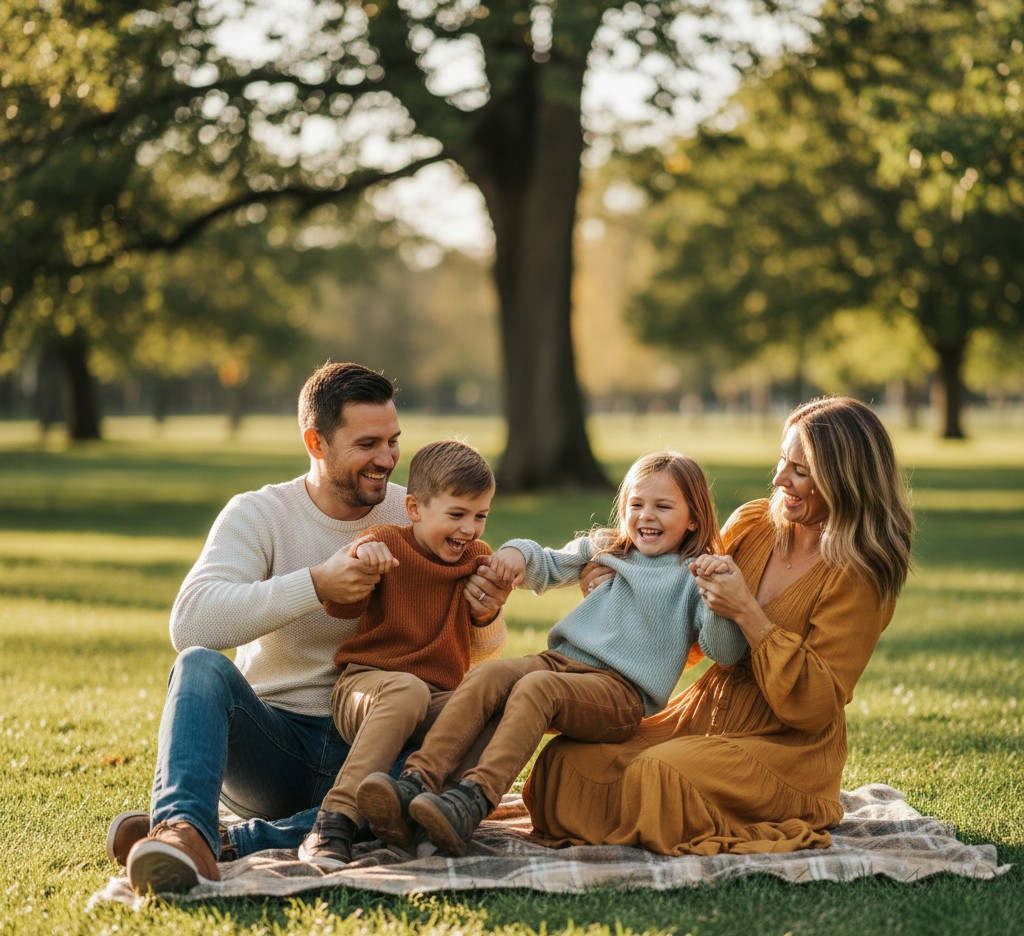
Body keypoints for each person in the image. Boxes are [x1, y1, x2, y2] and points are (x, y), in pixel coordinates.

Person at [110, 362, 511, 894]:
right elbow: (191, 623)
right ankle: (183, 829)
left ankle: (230, 842)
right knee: (199, 666)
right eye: (368, 443)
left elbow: (472, 651)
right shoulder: (259, 513)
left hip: (381, 740)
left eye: (393, 440)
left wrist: (486, 614)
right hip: (273, 745)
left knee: (435, 779)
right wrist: (315, 586)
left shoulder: (416, 509)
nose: (388, 459)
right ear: (316, 442)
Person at [523, 396, 914, 856]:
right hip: (707, 713)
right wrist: (618, 586)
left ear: (843, 479)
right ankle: (640, 818)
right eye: (781, 461)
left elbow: (814, 705)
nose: (778, 479)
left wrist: (748, 613)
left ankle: (646, 816)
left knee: (660, 774)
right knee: (569, 762)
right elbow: (681, 618)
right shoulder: (752, 523)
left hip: (786, 746)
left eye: (799, 471)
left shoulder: (859, 574)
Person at [358, 451, 749, 857]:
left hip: (621, 692)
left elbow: (725, 651)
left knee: (537, 689)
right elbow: (546, 563)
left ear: (694, 518)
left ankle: (471, 800)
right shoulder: (608, 548)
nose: (646, 516)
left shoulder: (696, 574)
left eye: (662, 507)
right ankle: (417, 782)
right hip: (561, 662)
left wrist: (720, 602)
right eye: (636, 504)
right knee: (487, 676)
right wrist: (515, 554)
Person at [297, 439, 497, 865]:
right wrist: (361, 556)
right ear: (414, 509)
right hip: (367, 688)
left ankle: (430, 815)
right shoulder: (384, 541)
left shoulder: (477, 557)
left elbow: (485, 624)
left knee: (496, 705)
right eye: (456, 514)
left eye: (480, 516)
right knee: (407, 690)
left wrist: (490, 604)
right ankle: (334, 821)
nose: (469, 529)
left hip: (433, 698)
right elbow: (341, 604)